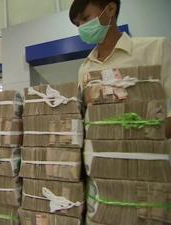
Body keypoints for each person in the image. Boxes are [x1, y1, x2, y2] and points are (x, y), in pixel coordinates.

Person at [69, 0, 171, 138]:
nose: (81, 27)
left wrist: (147, 137)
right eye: (77, 24)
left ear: (110, 9)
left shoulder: (155, 49)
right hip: (98, 156)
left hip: (147, 153)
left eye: (85, 18)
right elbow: (83, 117)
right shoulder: (85, 68)